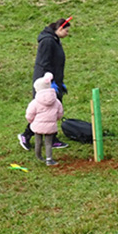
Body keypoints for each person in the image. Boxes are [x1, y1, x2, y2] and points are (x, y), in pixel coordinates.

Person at [17, 17, 72, 151]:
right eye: (67, 31)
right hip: (45, 82)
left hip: (54, 80)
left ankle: (52, 139)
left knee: (52, 110)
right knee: (43, 111)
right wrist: (50, 83)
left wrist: (60, 82)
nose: (68, 34)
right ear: (59, 28)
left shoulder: (54, 40)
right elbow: (45, 62)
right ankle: (25, 135)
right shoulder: (48, 41)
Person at [26, 72, 63, 166]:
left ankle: (38, 156)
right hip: (50, 126)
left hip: (37, 126)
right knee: (48, 143)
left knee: (38, 142)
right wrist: (56, 119)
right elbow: (60, 112)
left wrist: (31, 121)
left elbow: (30, 113)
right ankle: (49, 160)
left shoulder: (35, 102)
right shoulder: (56, 101)